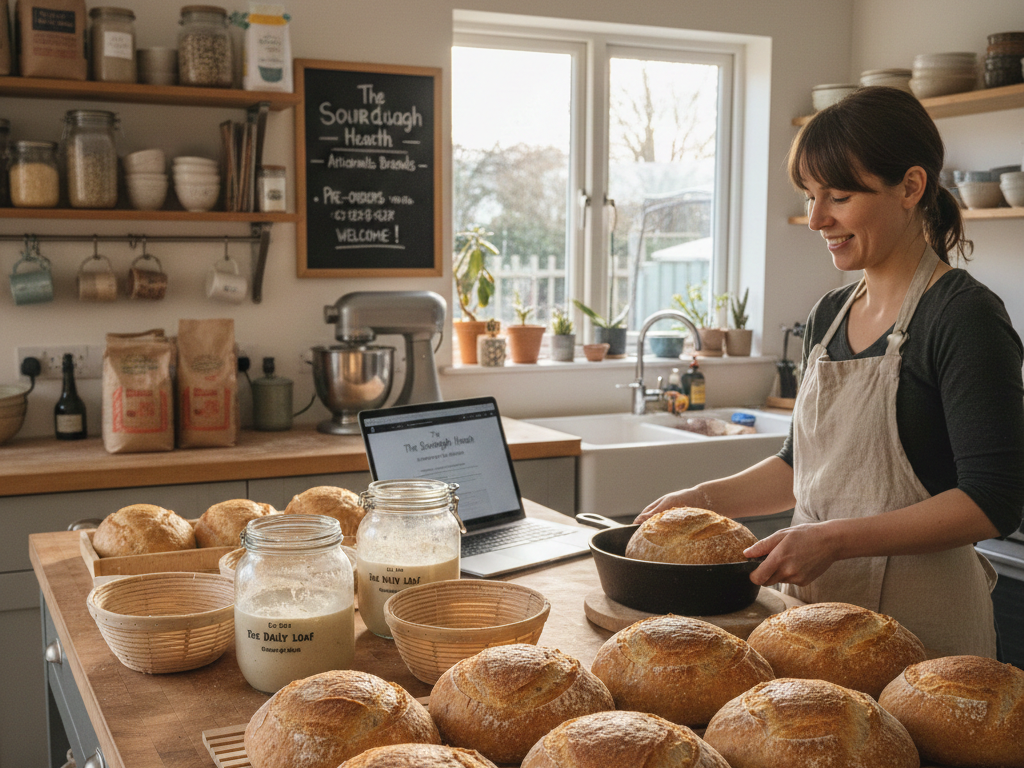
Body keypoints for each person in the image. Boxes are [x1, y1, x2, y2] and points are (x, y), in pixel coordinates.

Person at [636, 86, 1024, 658]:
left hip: (925, 633)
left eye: (839, 196)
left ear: (911, 187)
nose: (817, 218)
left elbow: (994, 500)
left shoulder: (962, 316)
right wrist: (704, 497)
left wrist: (833, 540)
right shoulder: (828, 314)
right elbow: (801, 467)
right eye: (811, 195)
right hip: (811, 620)